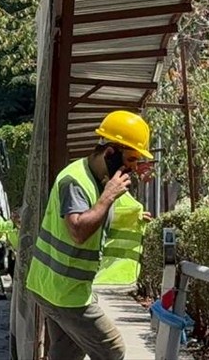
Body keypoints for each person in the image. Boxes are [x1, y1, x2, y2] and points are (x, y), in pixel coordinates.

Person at [26, 110, 154, 360]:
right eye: (130, 159)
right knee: (112, 350)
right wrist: (108, 196)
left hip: (55, 287)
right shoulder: (75, 181)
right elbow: (78, 230)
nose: (134, 167)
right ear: (110, 153)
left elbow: (99, 219)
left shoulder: (97, 180)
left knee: (66, 354)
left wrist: (130, 217)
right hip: (65, 292)